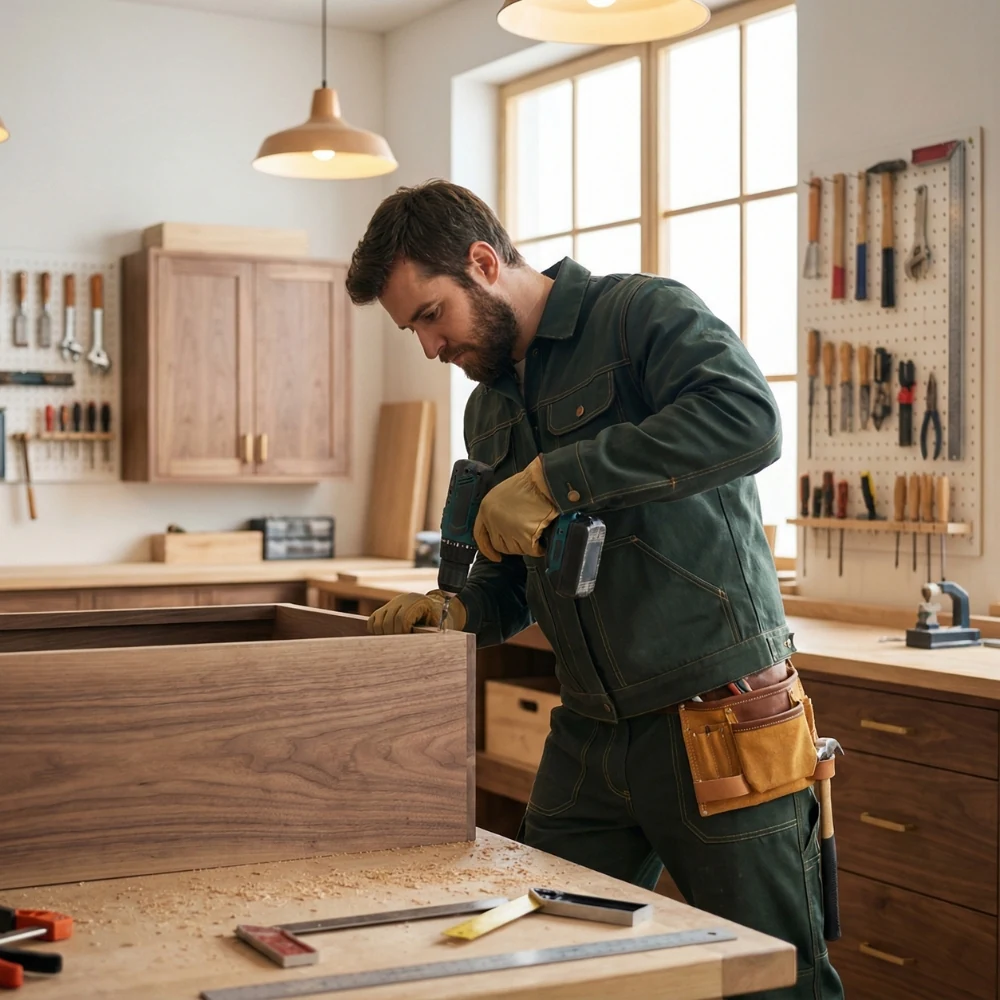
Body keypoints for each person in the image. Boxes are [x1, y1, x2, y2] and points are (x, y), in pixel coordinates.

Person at [345, 179, 843, 1000]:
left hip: (715, 717)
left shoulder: (641, 316)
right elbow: (510, 586)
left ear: (483, 262)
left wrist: (556, 479)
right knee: (533, 959)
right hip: (591, 733)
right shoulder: (490, 408)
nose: (429, 346)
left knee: (775, 982)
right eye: (413, 330)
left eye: (432, 314)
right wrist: (459, 611)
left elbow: (749, 419)